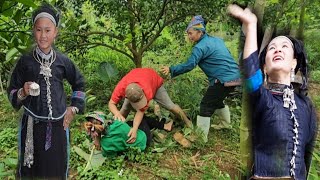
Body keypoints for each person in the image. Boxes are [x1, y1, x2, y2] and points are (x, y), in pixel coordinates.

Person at [228, 4, 317, 179]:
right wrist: (252, 26)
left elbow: (308, 154)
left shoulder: (306, 105)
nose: (277, 49)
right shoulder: (263, 99)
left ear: (293, 63)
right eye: (271, 48)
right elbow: (251, 72)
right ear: (265, 69)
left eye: (284, 46)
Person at [7, 3, 85, 179]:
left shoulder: (63, 62)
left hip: (58, 126)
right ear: (33, 31)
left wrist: (73, 109)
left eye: (48, 30)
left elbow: (79, 84)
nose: (43, 36)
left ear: (55, 32)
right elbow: (12, 91)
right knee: (31, 172)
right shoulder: (25, 62)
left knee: (56, 171)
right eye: (39, 30)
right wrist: (23, 92)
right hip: (31, 128)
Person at [161, 15, 241, 142]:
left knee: (205, 106)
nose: (189, 36)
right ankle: (225, 125)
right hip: (236, 77)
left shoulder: (199, 47)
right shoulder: (217, 40)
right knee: (217, 100)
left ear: (200, 31)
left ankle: (201, 138)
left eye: (191, 33)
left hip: (222, 80)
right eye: (187, 34)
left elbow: (189, 65)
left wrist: (171, 69)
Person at [108, 68, 191, 144]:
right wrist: (117, 113)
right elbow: (111, 103)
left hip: (154, 81)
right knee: (124, 110)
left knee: (170, 106)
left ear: (142, 92)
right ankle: (116, 130)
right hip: (137, 79)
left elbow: (140, 111)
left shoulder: (147, 91)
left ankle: (188, 122)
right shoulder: (121, 88)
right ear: (126, 96)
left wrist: (135, 128)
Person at [84, 111, 173, 157]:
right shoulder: (116, 122)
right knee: (141, 119)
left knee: (137, 121)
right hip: (142, 137)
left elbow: (110, 155)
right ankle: (162, 124)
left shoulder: (106, 143)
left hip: (142, 142)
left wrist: (97, 140)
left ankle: (162, 124)